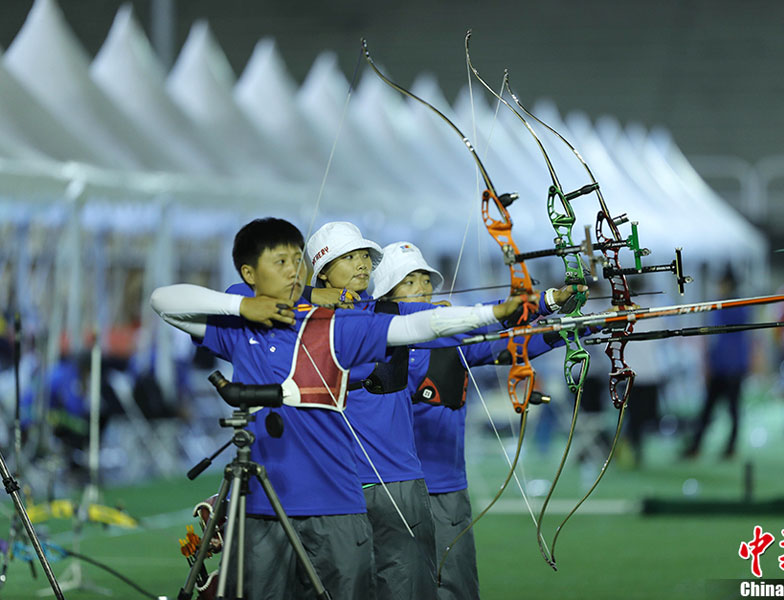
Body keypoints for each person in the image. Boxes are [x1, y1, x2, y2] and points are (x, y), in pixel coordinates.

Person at [150, 218, 531, 600]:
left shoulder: (338, 326)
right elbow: (164, 301)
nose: (292, 271)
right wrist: (249, 305)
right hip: (269, 500)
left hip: (337, 498)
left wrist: (496, 313)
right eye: (281, 262)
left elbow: (419, 326)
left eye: (296, 261)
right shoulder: (241, 327)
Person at [371, 240, 577, 600]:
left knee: (457, 586)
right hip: (393, 488)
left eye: (425, 280)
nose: (422, 288)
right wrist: (542, 303)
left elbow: (510, 345)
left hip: (447, 485)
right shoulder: (375, 341)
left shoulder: (453, 337)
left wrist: (574, 328)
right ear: (387, 296)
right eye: (409, 282)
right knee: (399, 587)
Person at [683, 266, 752, 459]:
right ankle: (697, 445)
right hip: (720, 365)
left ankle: (728, 446)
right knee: (710, 409)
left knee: (731, 409)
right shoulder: (723, 305)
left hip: (732, 366)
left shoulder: (735, 306)